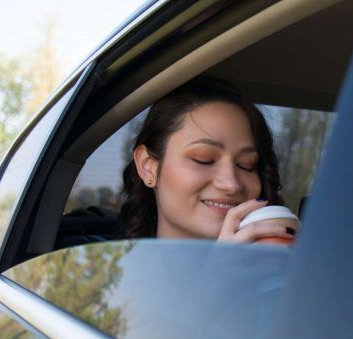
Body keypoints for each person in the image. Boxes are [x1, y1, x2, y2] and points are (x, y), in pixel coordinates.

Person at [119, 76, 297, 243]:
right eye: (203, 159)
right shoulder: (108, 271)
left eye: (247, 166)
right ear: (147, 166)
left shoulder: (283, 266)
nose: (231, 184)